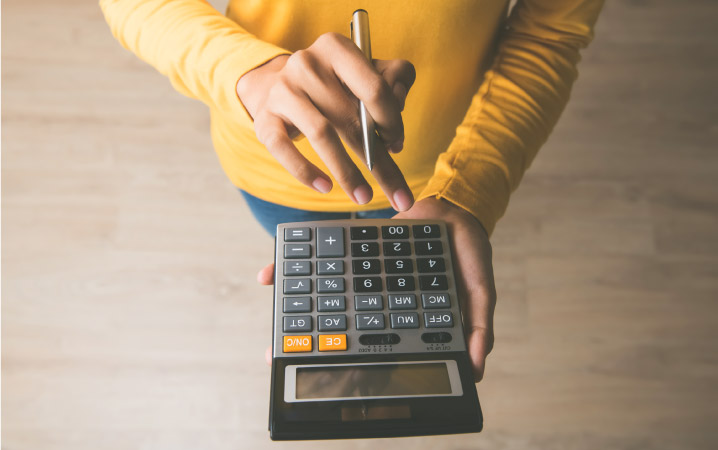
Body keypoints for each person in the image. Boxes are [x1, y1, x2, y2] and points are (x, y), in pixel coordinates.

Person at [100, 0, 604, 381]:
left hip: (436, 178)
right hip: (281, 169)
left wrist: (469, 186)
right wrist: (248, 72)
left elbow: (550, 35)